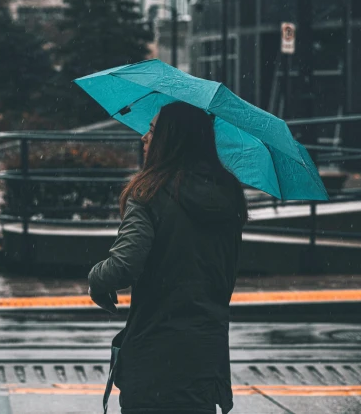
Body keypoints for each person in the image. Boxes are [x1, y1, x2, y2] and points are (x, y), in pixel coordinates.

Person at [88, 101, 248, 414]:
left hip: (155, 355)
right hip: (205, 356)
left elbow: (123, 265)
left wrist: (96, 278)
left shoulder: (150, 192)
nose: (143, 139)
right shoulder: (227, 194)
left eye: (151, 132)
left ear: (169, 141)